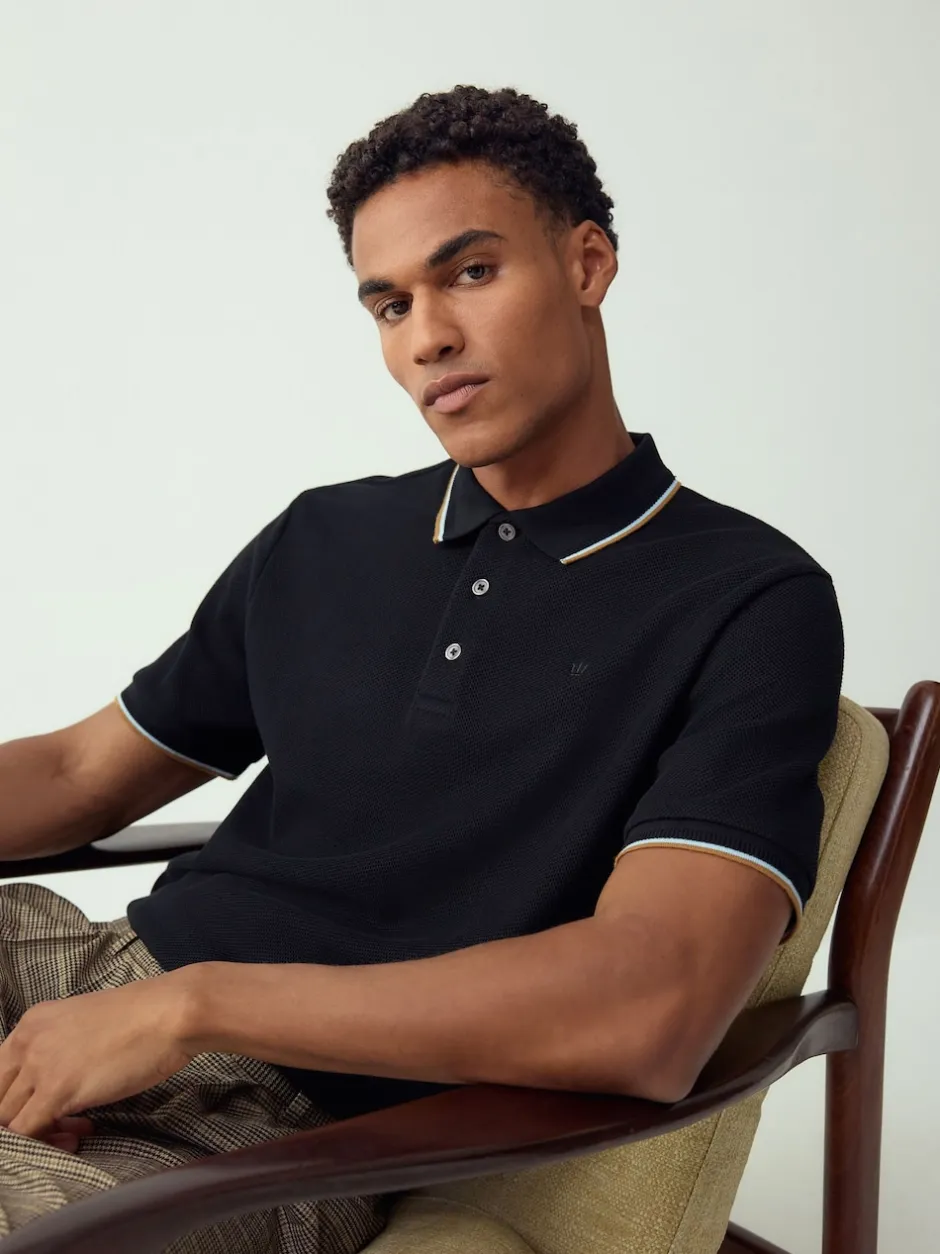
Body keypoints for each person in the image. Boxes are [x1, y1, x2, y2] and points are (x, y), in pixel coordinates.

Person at [0, 85, 843, 1251]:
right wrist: (124, 1009)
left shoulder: (747, 599)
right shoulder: (325, 537)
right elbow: (81, 770)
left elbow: (652, 1007)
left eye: (471, 273)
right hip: (83, 971)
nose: (426, 338)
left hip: (286, 1117)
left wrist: (190, 1009)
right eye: (389, 303)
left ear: (587, 263)